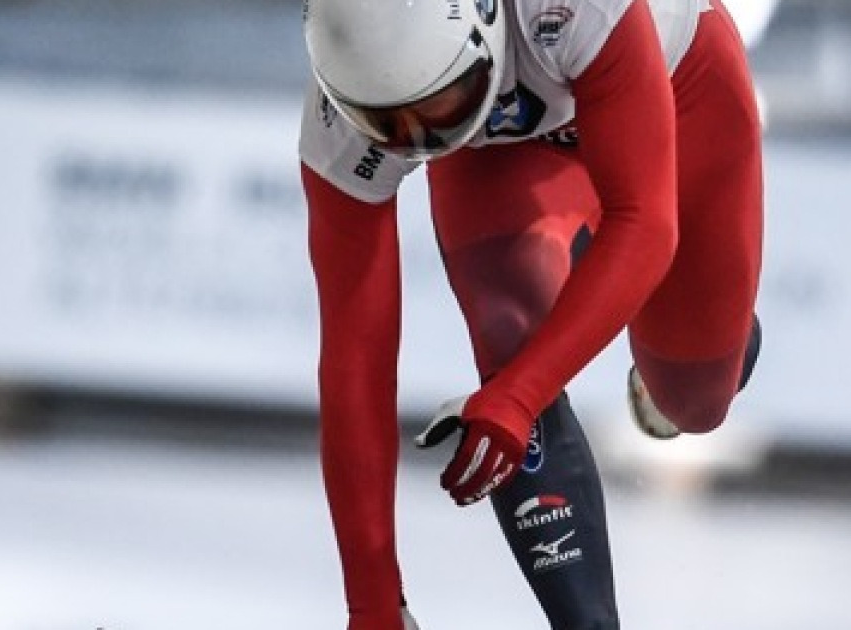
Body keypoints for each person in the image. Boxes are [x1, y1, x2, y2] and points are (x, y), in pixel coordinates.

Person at [299, 0, 763, 626]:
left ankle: (679, 329)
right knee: (506, 330)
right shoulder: (337, 130)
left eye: (440, 108)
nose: (421, 137)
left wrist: (519, 398)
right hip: (505, 140)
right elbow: (355, 362)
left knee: (695, 402)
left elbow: (646, 226)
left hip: (674, 86)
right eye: (388, 128)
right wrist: (373, 603)